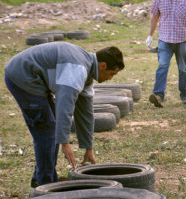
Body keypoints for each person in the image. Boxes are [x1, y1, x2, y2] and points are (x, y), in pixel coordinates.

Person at [4, 42, 124, 188]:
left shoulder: (87, 70)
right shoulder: (78, 69)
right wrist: (65, 143)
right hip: (23, 77)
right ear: (103, 65)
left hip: (35, 79)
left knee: (51, 128)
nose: (111, 79)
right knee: (47, 130)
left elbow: (85, 112)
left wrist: (88, 147)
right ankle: (45, 184)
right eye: (112, 73)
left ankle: (41, 178)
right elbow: (64, 105)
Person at [146, 0, 186, 107]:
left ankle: (185, 95)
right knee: (162, 66)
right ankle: (158, 96)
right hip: (165, 40)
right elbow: (155, 17)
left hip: (182, 40)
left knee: (183, 69)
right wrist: (150, 35)